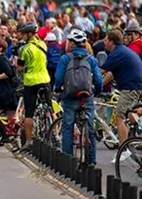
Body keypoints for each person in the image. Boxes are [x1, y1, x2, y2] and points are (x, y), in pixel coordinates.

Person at [53, 28, 102, 164]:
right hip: (87, 97)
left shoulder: (65, 58)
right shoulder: (91, 59)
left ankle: (67, 161)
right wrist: (97, 91)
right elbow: (98, 79)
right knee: (90, 128)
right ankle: (92, 161)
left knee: (68, 127)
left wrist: (58, 89)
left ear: (72, 44)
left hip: (69, 97)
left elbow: (58, 77)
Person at [101, 28, 142, 161]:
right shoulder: (122, 51)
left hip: (131, 87)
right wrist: (100, 84)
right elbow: (110, 73)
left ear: (111, 42)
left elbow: (101, 70)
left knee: (119, 115)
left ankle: (123, 149)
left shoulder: (116, 53)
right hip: (136, 85)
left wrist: (92, 83)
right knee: (130, 114)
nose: (104, 42)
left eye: (106, 39)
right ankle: (134, 136)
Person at [16, 22, 51, 151]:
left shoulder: (25, 49)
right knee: (50, 107)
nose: (23, 36)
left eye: (24, 34)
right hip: (45, 79)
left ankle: (29, 141)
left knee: (29, 114)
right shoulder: (43, 45)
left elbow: (19, 67)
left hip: (31, 82)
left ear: (29, 34)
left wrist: (23, 67)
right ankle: (54, 130)